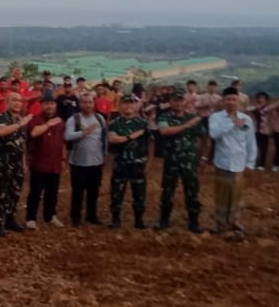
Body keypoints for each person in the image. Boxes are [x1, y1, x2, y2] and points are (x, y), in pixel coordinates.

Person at [208, 87, 257, 236]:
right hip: (222, 163)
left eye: (234, 99)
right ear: (223, 101)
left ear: (238, 100)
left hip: (239, 164)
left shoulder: (246, 119)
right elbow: (214, 134)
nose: (231, 102)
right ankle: (220, 224)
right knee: (222, 194)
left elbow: (251, 142)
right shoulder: (216, 118)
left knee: (237, 194)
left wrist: (250, 163)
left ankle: (234, 221)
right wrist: (232, 124)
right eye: (228, 99)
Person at [156, 89, 204, 232]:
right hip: (171, 161)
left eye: (180, 100)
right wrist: (187, 125)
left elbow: (201, 139)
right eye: (175, 100)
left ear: (185, 102)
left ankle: (194, 222)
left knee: (192, 191)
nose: (178, 103)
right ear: (170, 102)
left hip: (189, 160)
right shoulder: (164, 117)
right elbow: (164, 131)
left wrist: (201, 158)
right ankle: (164, 221)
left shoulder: (192, 117)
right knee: (167, 191)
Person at [0, 92, 33, 236]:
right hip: (3, 163)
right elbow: (1, 132)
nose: (18, 103)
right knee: (0, 193)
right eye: (14, 100)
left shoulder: (21, 119)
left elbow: (23, 143)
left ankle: (10, 219)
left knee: (14, 192)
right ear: (7, 102)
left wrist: (24, 162)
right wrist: (21, 124)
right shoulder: (2, 117)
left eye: (20, 101)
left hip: (17, 163)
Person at [64, 92, 108, 227]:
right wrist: (84, 132)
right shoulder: (74, 119)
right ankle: (75, 217)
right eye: (84, 102)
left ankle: (91, 215)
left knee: (94, 190)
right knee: (78, 191)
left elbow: (104, 138)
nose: (87, 105)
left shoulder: (100, 118)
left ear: (94, 103)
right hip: (78, 162)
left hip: (96, 161)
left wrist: (104, 155)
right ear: (79, 104)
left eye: (90, 102)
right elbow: (67, 136)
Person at [108, 94, 149, 229]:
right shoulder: (114, 123)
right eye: (125, 103)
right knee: (117, 192)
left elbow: (151, 143)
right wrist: (131, 136)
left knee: (139, 192)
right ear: (120, 106)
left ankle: (139, 220)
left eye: (131, 103)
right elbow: (113, 139)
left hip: (138, 163)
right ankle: (115, 219)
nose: (128, 106)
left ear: (136, 105)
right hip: (120, 163)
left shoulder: (143, 123)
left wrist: (151, 162)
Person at [25, 95, 65, 229]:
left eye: (52, 103)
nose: (50, 106)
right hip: (39, 163)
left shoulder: (60, 121)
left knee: (52, 192)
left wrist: (63, 159)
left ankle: (50, 216)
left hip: (55, 163)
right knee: (36, 192)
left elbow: (62, 142)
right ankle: (31, 218)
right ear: (42, 105)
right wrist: (48, 124)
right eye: (47, 103)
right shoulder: (35, 119)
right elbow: (34, 133)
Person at [251, 92, 273, 171]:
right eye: (260, 98)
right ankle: (253, 163)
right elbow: (247, 109)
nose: (261, 100)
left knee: (264, 148)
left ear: (266, 100)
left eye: (263, 98)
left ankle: (262, 164)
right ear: (257, 99)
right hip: (256, 130)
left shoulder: (268, 108)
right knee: (254, 148)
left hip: (265, 130)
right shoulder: (254, 108)